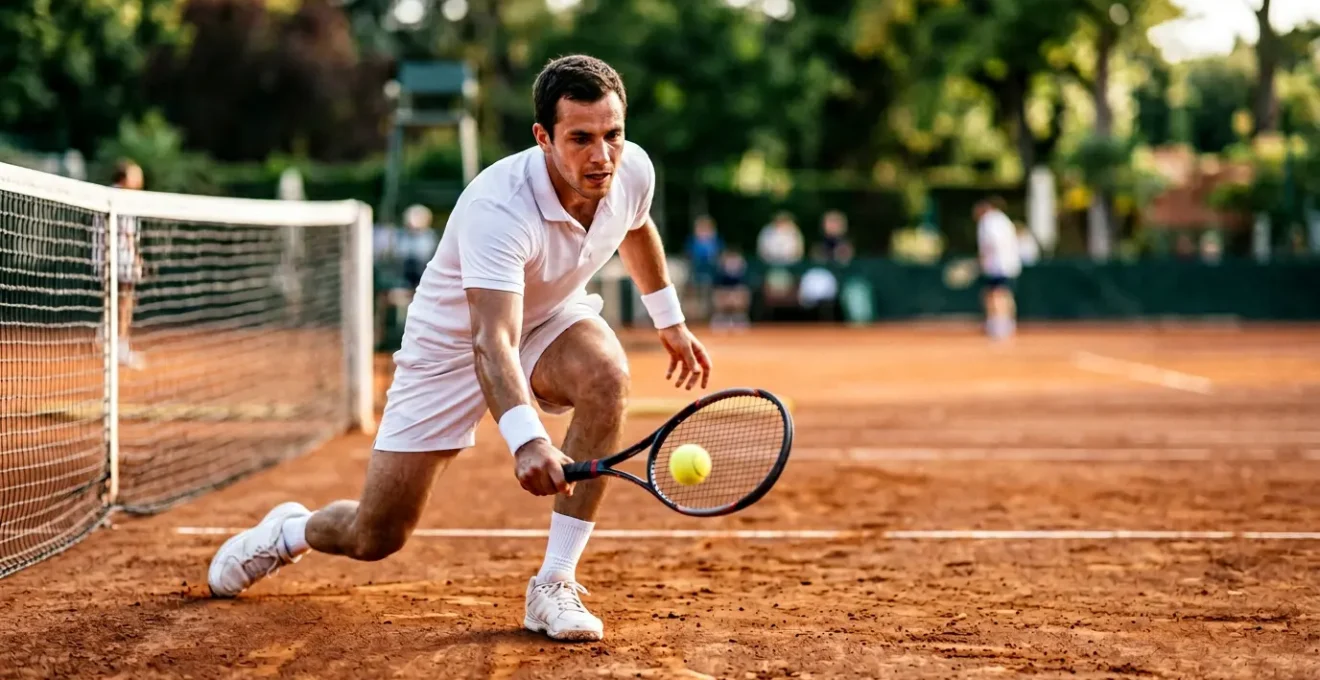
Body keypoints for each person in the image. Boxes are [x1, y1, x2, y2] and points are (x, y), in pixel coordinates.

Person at [207, 55, 713, 643]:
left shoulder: (630, 172)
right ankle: (289, 532)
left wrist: (669, 320)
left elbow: (635, 224)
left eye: (613, 135)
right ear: (543, 137)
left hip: (547, 319)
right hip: (452, 346)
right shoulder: (498, 207)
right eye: (580, 139)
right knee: (377, 535)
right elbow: (489, 338)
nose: (601, 156)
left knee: (606, 374)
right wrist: (526, 440)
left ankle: (553, 582)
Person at [95, 160, 147, 368]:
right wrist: (136, 258)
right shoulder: (122, 197)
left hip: (106, 258)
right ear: (124, 177)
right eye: (136, 175)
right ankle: (119, 346)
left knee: (117, 300)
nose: (140, 179)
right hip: (119, 258)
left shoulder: (108, 195)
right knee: (124, 301)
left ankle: (105, 337)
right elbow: (126, 233)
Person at [974, 196, 1021, 340]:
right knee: (1004, 293)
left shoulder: (987, 221)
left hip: (997, 265)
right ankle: (1006, 324)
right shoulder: (1004, 220)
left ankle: (998, 325)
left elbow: (990, 244)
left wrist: (982, 260)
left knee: (996, 294)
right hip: (1010, 263)